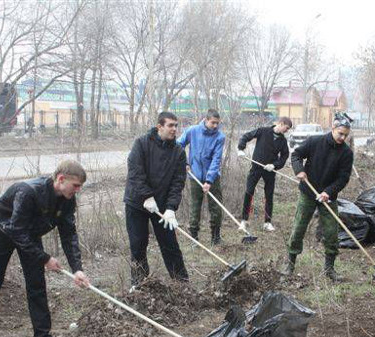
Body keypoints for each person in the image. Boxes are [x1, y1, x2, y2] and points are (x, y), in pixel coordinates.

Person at [0, 160, 91, 337]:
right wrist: (44, 258)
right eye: (75, 185)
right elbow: (17, 231)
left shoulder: (68, 200)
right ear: (61, 179)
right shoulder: (28, 192)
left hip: (29, 233)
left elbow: (69, 234)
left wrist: (77, 268)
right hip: (3, 229)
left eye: (80, 187)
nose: (77, 190)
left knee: (36, 285)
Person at [282, 113, 354, 282]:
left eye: (346, 135)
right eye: (340, 133)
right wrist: (299, 169)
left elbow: (343, 178)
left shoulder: (346, 153)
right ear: (333, 128)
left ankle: (330, 269)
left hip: (328, 197)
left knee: (331, 231)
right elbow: (296, 155)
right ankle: (290, 264)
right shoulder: (315, 142)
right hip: (308, 191)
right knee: (299, 227)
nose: (342, 138)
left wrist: (328, 192)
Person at [124, 111, 189, 288]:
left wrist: (170, 209)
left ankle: (182, 284)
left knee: (170, 244)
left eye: (176, 126)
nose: (175, 129)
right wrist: (146, 196)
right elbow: (135, 172)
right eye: (171, 125)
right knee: (138, 245)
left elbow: (178, 183)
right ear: (159, 126)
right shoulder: (141, 144)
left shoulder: (178, 152)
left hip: (161, 207)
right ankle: (140, 285)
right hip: (137, 203)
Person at [177, 109, 226, 245]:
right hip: (195, 176)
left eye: (217, 123)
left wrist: (209, 180)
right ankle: (194, 238)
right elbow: (178, 145)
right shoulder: (192, 131)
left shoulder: (220, 137)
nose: (215, 126)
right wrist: (185, 162)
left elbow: (216, 160)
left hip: (213, 178)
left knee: (216, 207)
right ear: (206, 120)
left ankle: (215, 237)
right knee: (195, 206)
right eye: (213, 123)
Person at [237, 117, 292, 232]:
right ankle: (244, 220)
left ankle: (267, 222)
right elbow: (246, 136)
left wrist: (275, 165)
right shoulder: (263, 131)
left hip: (269, 171)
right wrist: (241, 148)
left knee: (269, 195)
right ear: (281, 124)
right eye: (286, 128)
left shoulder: (282, 141)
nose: (287, 131)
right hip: (256, 168)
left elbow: (284, 157)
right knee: (249, 192)